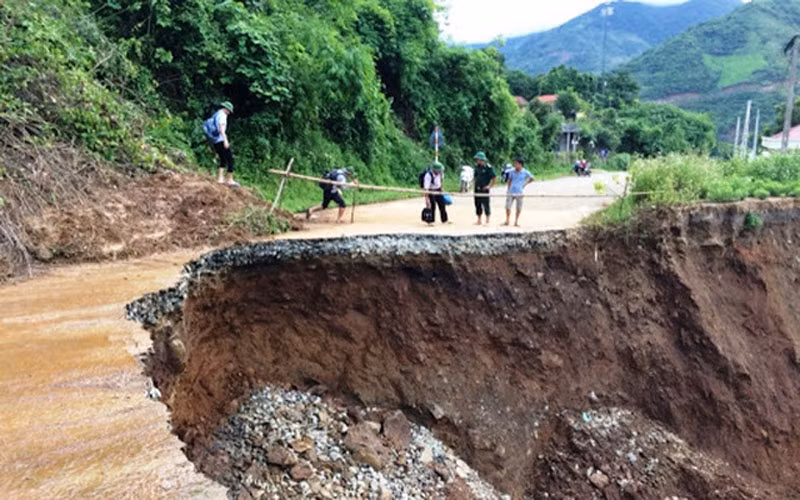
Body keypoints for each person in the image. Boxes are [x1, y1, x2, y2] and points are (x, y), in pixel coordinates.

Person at [204, 101, 239, 187]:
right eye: (229, 111)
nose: (229, 113)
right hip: (221, 139)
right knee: (230, 159)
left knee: (223, 159)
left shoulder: (216, 114)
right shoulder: (223, 115)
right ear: (226, 109)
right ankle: (230, 180)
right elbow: (221, 129)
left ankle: (220, 178)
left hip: (215, 140)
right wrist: (225, 140)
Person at [503, 156, 534, 227]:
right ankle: (507, 220)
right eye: (514, 163)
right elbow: (509, 180)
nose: (515, 165)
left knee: (518, 208)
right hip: (511, 191)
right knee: (507, 207)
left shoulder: (525, 172)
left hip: (519, 192)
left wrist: (525, 184)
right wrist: (508, 189)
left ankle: (516, 221)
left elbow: (532, 178)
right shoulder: (511, 171)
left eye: (516, 163)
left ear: (520, 164)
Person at [473, 151, 496, 225]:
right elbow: (475, 176)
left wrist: (489, 186)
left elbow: (494, 177)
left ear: (482, 159)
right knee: (477, 204)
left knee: (486, 204)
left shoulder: (488, 167)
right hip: (477, 188)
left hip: (484, 189)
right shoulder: (476, 167)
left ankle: (487, 220)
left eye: (478, 159)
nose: (477, 161)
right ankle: (479, 220)